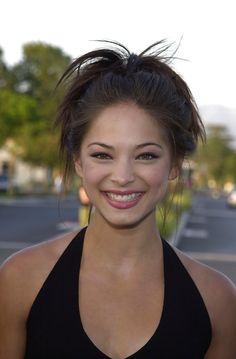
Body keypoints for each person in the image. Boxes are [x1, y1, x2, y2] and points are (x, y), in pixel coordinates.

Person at [0, 40, 236, 359]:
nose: (123, 175)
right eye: (102, 154)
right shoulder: (20, 280)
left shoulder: (217, 301)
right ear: (79, 162)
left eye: (146, 155)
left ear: (175, 164)